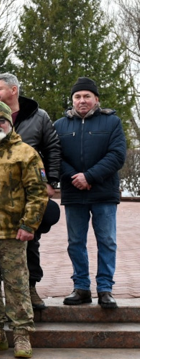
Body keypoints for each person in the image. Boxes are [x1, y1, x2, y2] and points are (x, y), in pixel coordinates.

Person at [0, 72, 62, 310]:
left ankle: (30, 288)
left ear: (14, 90)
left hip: (25, 193)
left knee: (29, 242)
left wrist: (51, 180)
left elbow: (52, 146)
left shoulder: (38, 116)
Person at [0, 101, 48, 359]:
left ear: (10, 123)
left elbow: (38, 193)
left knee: (16, 285)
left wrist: (29, 224)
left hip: (12, 232)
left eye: (0, 121)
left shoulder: (25, 153)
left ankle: (21, 335)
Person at [54, 77, 127, 309]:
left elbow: (117, 155)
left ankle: (105, 289)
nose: (82, 100)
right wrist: (75, 177)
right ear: (72, 100)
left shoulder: (112, 122)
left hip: (103, 192)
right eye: (77, 96)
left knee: (106, 241)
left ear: (96, 99)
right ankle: (81, 288)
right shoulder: (60, 126)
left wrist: (90, 177)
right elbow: (55, 156)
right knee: (76, 242)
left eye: (87, 96)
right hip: (74, 192)